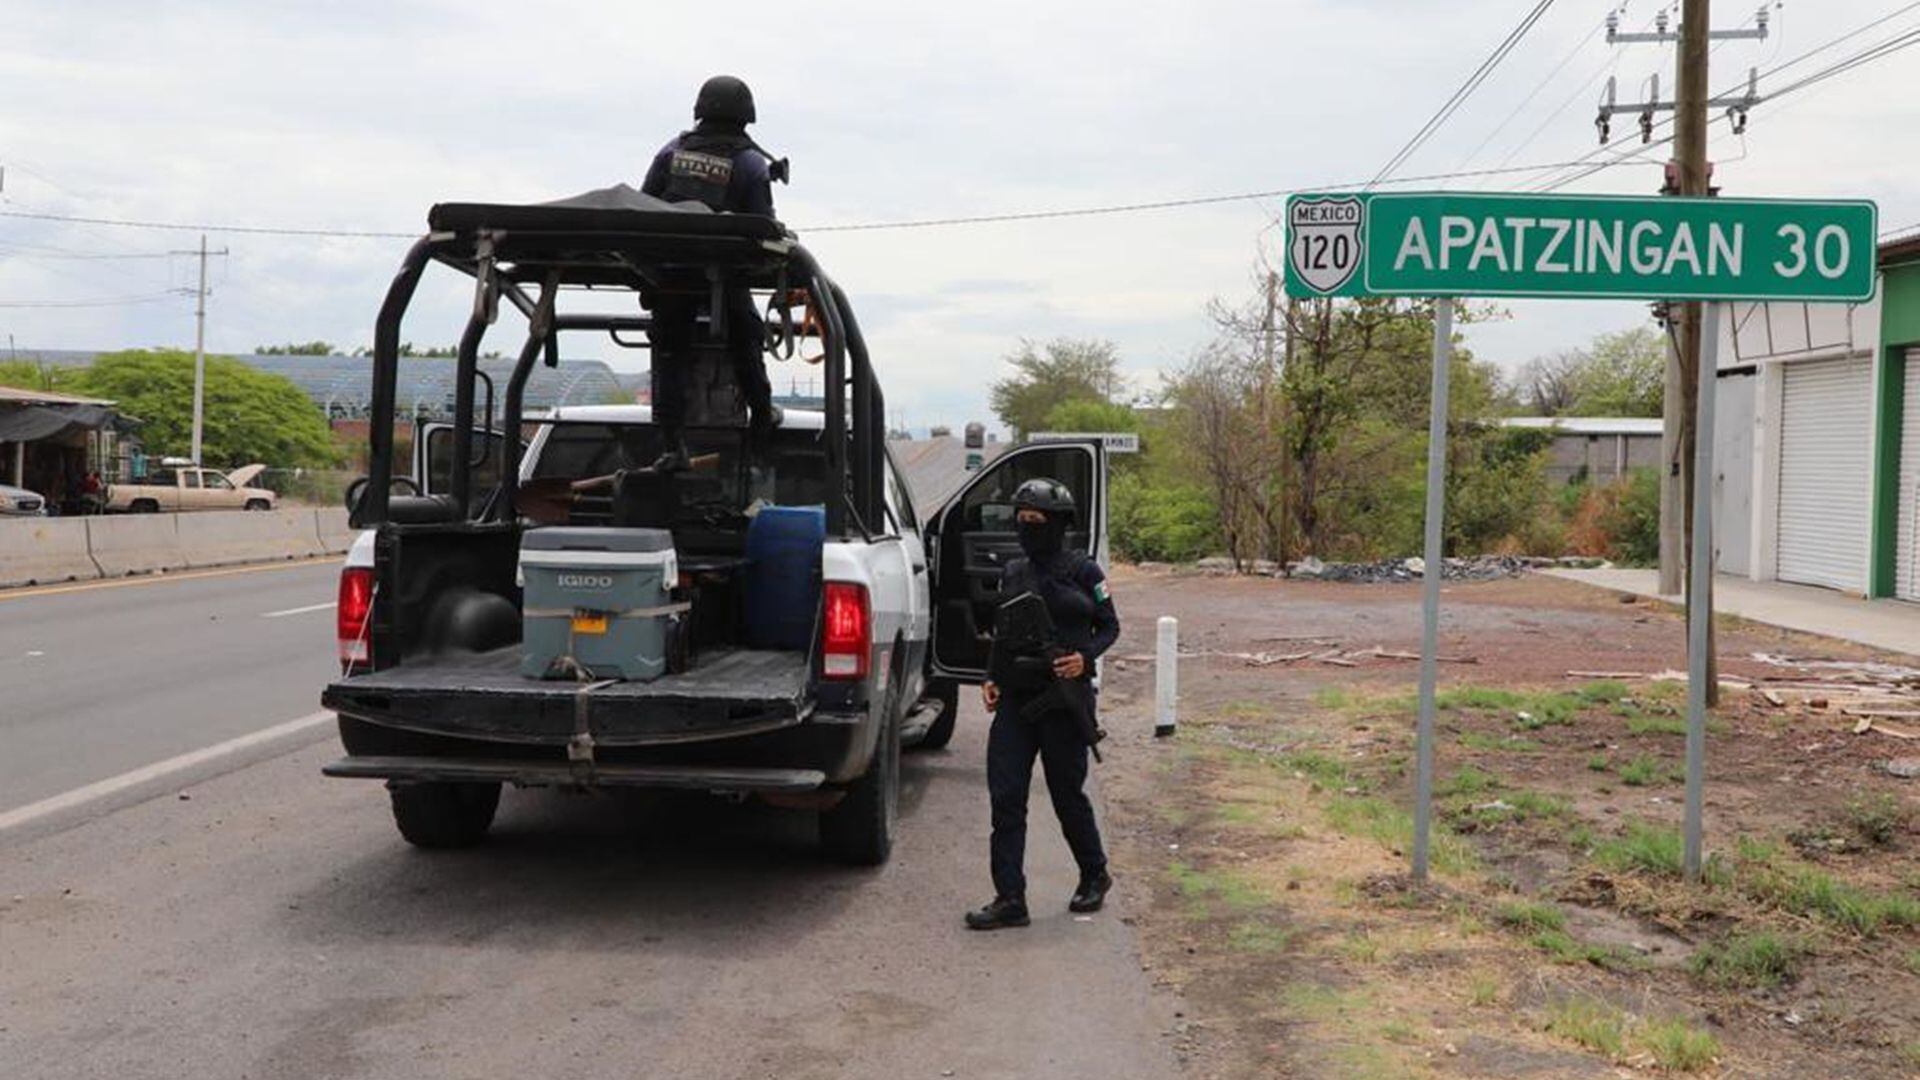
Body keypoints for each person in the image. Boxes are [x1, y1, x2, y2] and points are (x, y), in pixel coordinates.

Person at [966, 477, 1119, 931]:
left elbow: (1109, 627)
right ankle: (1009, 897)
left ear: (1058, 524)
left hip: (1063, 701)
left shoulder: (1085, 572)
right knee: (1006, 797)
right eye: (1022, 521)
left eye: (1037, 521)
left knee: (1067, 795)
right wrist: (991, 676)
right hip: (1017, 699)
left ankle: (1095, 874)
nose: (1029, 528)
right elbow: (1004, 627)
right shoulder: (1014, 571)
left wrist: (1084, 658)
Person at [640, 74, 782, 470]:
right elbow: (761, 228)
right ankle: (762, 418)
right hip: (725, 278)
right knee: (748, 342)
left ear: (700, 110)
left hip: (671, 280)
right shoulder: (751, 164)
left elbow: (640, 211)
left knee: (669, 354)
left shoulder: (670, 152)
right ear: (746, 117)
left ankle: (670, 444)